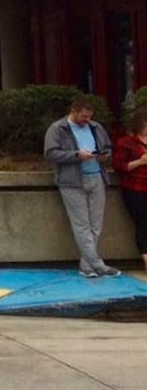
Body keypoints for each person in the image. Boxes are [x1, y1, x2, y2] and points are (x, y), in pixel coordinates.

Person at [43, 97, 120, 278]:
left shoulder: (96, 127)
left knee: (96, 224)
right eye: (84, 116)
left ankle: (87, 265)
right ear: (74, 111)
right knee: (81, 225)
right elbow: (51, 153)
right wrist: (77, 155)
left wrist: (104, 156)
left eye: (89, 117)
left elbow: (108, 147)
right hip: (72, 181)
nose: (87, 120)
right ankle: (98, 265)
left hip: (96, 177)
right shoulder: (57, 129)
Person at [111, 107, 147, 272]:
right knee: (143, 224)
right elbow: (119, 166)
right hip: (135, 189)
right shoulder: (126, 142)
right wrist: (140, 162)